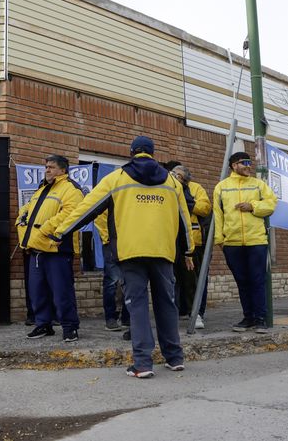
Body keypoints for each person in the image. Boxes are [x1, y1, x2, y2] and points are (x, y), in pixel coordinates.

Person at [54, 136, 194, 378]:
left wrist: (60, 231)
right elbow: (184, 219)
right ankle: (174, 357)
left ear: (132, 153)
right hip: (163, 252)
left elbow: (86, 207)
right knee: (167, 304)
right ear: (152, 153)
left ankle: (142, 364)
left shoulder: (116, 178)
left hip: (130, 253)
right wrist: (188, 249)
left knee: (137, 306)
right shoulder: (172, 181)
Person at [16, 154, 82, 342]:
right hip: (37, 249)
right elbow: (27, 209)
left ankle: (70, 327)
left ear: (63, 170)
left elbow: (71, 214)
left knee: (62, 291)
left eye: (51, 167)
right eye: (46, 167)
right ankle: (43, 324)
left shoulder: (71, 189)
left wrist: (45, 229)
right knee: (37, 291)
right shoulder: (42, 189)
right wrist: (21, 221)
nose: (47, 170)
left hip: (57, 250)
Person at [213, 151, 277, 334]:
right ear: (234, 165)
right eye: (244, 162)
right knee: (242, 281)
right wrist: (220, 240)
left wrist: (253, 206)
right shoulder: (221, 187)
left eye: (250, 162)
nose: (249, 165)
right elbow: (218, 215)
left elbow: (272, 204)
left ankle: (260, 318)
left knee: (257, 280)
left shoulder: (258, 185)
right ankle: (248, 317)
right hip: (231, 242)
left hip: (256, 240)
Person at [171, 164, 211, 328]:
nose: (173, 176)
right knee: (174, 279)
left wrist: (186, 203)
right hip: (171, 241)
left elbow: (205, 208)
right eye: (172, 173)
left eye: (177, 175)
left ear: (185, 178)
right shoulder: (166, 187)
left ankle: (196, 313)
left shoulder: (196, 188)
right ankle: (178, 311)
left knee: (193, 279)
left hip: (194, 241)